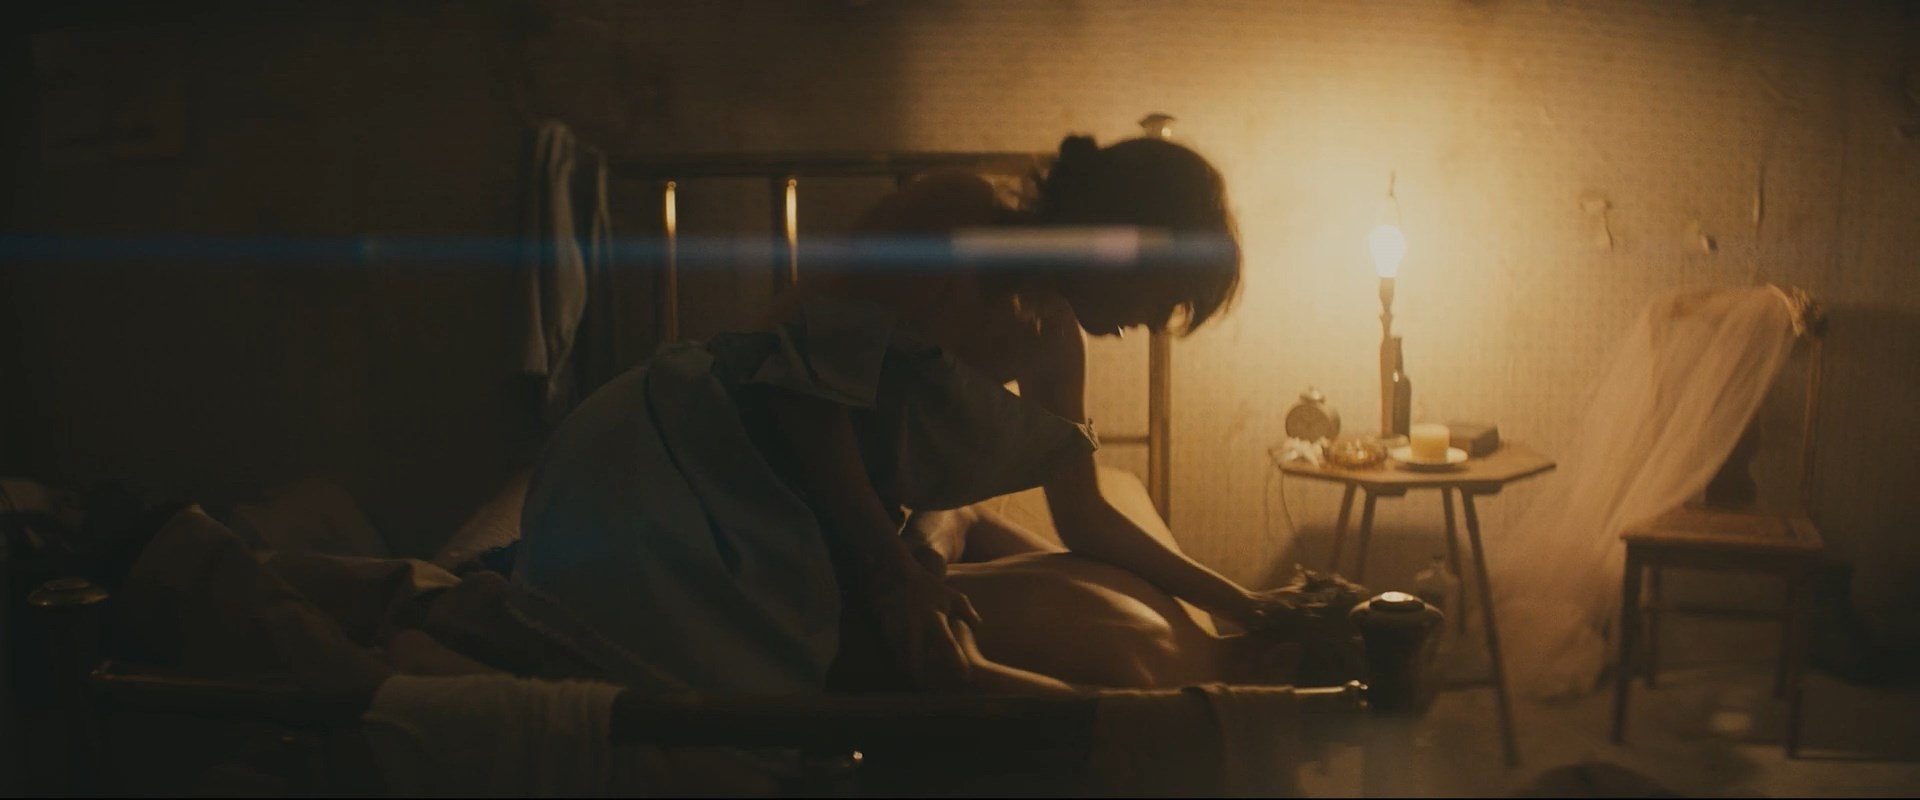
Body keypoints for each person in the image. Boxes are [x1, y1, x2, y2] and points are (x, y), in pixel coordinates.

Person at [508, 134, 1276, 697]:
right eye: (1164, 296)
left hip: (796, 508)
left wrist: (1247, 605)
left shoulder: (1053, 343)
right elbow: (806, 400)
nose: (1154, 322)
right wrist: (894, 571)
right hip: (687, 452)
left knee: (903, 660)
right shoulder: (957, 215)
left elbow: (1086, 518)